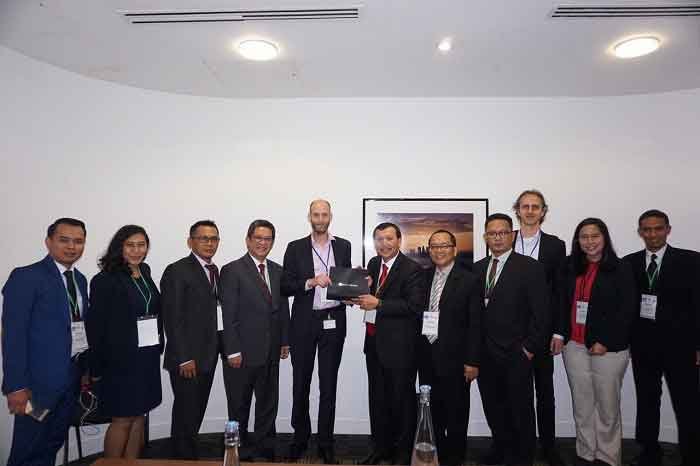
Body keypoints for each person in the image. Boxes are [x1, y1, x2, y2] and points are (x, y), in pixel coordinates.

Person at [2, 218, 89, 466]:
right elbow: (13, 336)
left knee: (52, 443)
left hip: (69, 384)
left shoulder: (80, 279)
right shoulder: (26, 277)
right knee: (28, 449)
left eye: (78, 241)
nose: (72, 247)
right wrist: (16, 386)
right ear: (48, 242)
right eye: (64, 240)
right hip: (35, 390)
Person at [624, 210, 700, 466]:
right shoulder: (629, 263)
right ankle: (649, 452)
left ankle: (692, 455)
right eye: (647, 229)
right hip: (643, 346)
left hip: (682, 347)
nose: (652, 234)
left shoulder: (691, 261)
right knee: (647, 401)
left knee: (687, 402)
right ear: (640, 232)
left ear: (668, 230)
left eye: (658, 228)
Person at [557, 218, 635, 466]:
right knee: (582, 403)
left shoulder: (621, 268)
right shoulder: (569, 266)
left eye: (595, 236)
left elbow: (627, 310)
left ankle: (607, 457)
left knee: (607, 406)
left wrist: (606, 341)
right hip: (574, 345)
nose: (589, 242)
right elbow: (560, 302)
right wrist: (559, 334)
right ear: (577, 241)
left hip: (608, 349)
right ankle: (586, 452)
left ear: (604, 238)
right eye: (584, 237)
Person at [473, 213, 550, 466]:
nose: (497, 238)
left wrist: (529, 348)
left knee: (521, 409)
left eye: (503, 232)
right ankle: (501, 449)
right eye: (492, 233)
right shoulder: (477, 268)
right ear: (485, 237)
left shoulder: (529, 267)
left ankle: (523, 457)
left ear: (512, 235)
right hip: (485, 353)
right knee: (493, 407)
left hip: (517, 353)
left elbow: (542, 313)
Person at [281, 200, 351, 464]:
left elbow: (344, 282)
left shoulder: (343, 245)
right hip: (304, 322)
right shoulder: (295, 247)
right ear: (309, 217)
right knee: (301, 383)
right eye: (316, 214)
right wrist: (311, 281)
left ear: (330, 216)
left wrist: (355, 286)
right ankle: (300, 438)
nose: (320, 219)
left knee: (328, 385)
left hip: (333, 320)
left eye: (324, 214)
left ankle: (325, 442)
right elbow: (285, 286)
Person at [86, 224, 163, 458]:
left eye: (141, 245)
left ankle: (131, 462)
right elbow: (96, 328)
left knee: (139, 416)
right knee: (122, 419)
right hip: (120, 362)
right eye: (130, 245)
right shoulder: (105, 279)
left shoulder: (145, 272)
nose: (136, 250)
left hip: (146, 357)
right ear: (119, 247)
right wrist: (95, 368)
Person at [353, 222, 425, 465]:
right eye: (379, 239)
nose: (384, 244)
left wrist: (379, 304)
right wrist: (353, 295)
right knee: (378, 401)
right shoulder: (374, 264)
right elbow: (371, 295)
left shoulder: (412, 269)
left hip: (400, 349)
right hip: (374, 345)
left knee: (402, 403)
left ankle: (403, 454)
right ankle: (380, 448)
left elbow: (414, 307)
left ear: (399, 241)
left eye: (389, 239)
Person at [220, 219, 290, 461]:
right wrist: (232, 350)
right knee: (239, 406)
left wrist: (284, 340)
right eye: (258, 238)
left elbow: (282, 309)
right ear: (248, 240)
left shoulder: (278, 270)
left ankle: (265, 449)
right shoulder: (232, 270)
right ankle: (238, 453)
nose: (263, 243)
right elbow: (227, 314)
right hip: (241, 353)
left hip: (271, 351)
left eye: (268, 239)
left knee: (268, 405)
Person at [512, 189, 566, 466]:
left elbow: (560, 292)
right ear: (517, 210)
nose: (530, 211)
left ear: (543, 211)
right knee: (514, 393)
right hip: (511, 332)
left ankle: (548, 446)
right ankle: (517, 444)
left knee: (545, 393)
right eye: (525, 206)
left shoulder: (555, 246)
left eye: (536, 206)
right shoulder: (506, 239)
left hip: (543, 332)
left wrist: (558, 331)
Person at [160, 220, 223, 459]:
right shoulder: (177, 270)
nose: (209, 243)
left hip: (207, 355)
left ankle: (187, 455)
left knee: (195, 413)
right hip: (187, 360)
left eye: (214, 239)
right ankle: (182, 458)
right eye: (203, 238)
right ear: (190, 241)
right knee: (186, 415)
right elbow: (172, 318)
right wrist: (184, 358)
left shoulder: (214, 270)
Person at [416, 229, 480, 466]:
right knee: (432, 412)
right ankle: (438, 457)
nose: (439, 250)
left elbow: (476, 324)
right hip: (427, 357)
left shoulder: (470, 280)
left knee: (456, 414)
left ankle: (455, 459)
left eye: (444, 246)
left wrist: (472, 361)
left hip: (457, 360)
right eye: (434, 246)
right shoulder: (423, 277)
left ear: (454, 249)